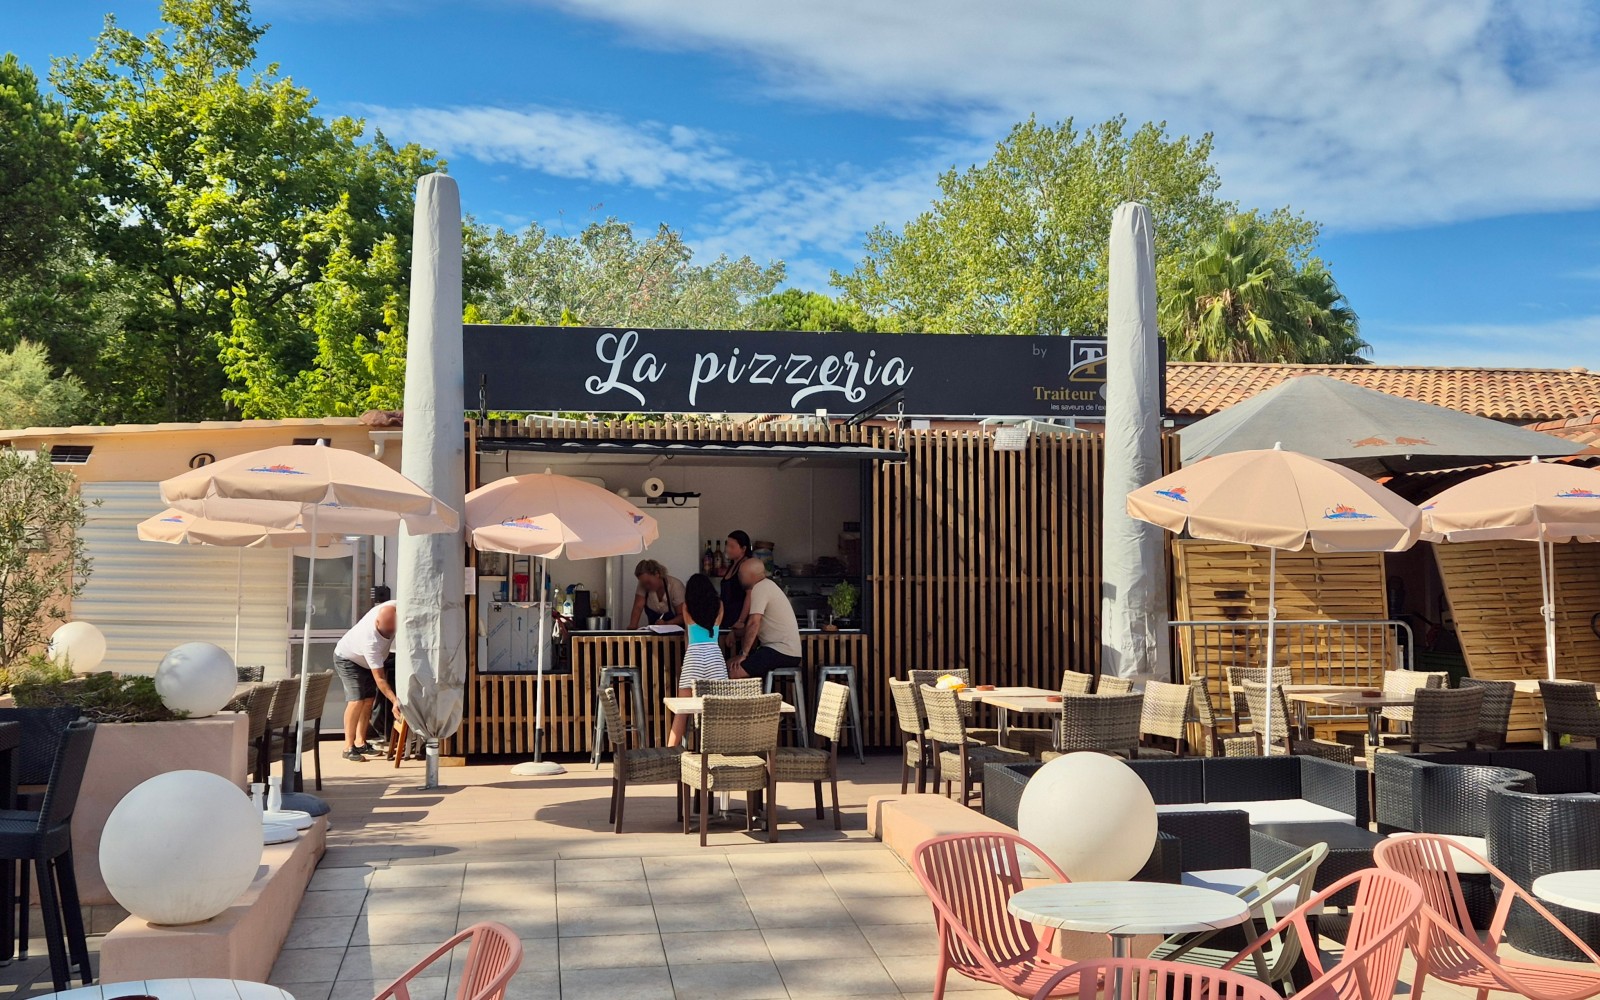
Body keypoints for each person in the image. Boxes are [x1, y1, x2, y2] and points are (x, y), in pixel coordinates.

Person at [332, 599, 402, 762]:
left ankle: (361, 742)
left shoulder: (394, 605)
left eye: (392, 630)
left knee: (369, 700)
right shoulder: (371, 641)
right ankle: (348, 747)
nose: (389, 634)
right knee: (357, 700)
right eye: (386, 631)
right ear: (377, 622)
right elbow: (380, 678)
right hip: (348, 659)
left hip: (365, 661)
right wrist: (394, 701)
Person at [667, 574, 728, 747]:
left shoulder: (687, 607)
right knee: (720, 710)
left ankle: (670, 752)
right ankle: (720, 751)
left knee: (682, 711)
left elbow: (688, 636)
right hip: (714, 657)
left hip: (694, 657)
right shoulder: (719, 605)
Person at [728, 559, 803, 681]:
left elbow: (754, 623)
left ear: (752, 576)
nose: (739, 578)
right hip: (782, 651)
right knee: (729, 664)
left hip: (781, 651)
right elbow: (755, 626)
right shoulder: (767, 586)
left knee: (734, 671)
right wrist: (735, 633)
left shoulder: (760, 588)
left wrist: (744, 654)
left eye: (741, 575)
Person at [627, 559, 686, 629]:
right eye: (643, 584)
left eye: (648, 582)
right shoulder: (643, 585)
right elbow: (638, 607)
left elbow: (682, 616)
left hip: (676, 632)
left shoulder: (675, 586)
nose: (646, 586)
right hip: (654, 632)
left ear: (657, 574)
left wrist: (667, 623)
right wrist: (632, 626)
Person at [719, 530, 755, 639]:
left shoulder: (745, 566)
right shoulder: (733, 565)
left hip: (738, 621)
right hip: (727, 619)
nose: (727, 549)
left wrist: (741, 621)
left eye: (732, 546)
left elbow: (749, 595)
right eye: (727, 545)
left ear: (743, 549)